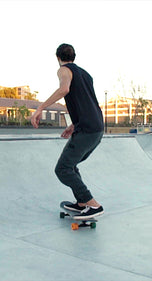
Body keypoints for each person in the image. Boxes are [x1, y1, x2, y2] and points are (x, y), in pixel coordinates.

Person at [31, 43, 104, 219]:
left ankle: (92, 204)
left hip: (87, 129)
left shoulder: (64, 70)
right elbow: (86, 101)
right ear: (74, 56)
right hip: (96, 127)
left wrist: (40, 107)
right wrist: (74, 125)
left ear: (58, 58)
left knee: (62, 169)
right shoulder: (86, 75)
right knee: (71, 166)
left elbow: (64, 89)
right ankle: (81, 204)